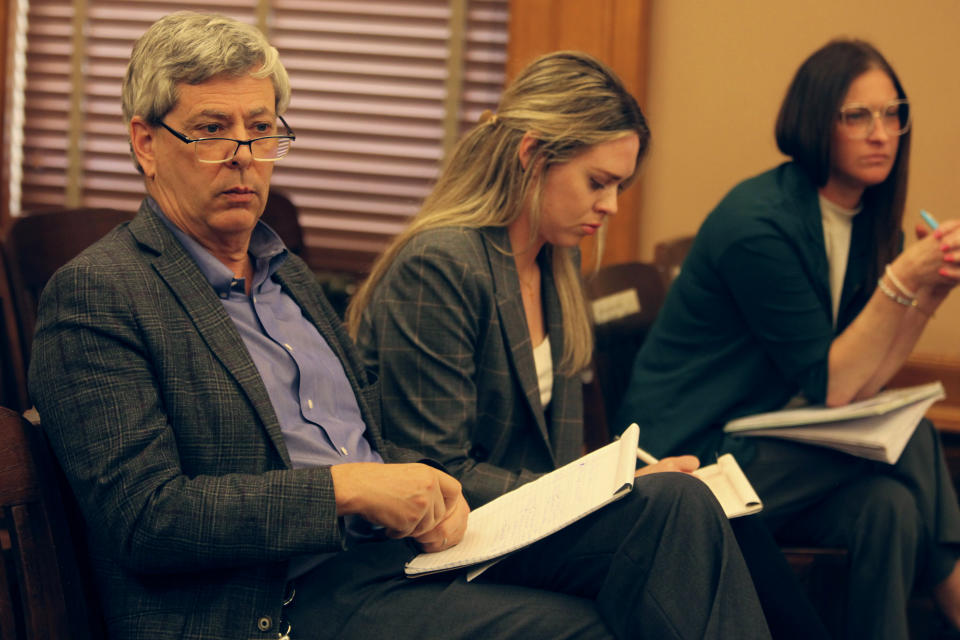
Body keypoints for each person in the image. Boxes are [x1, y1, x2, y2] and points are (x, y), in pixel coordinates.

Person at [27, 13, 771, 640]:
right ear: (145, 144)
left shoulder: (288, 278)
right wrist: (344, 491)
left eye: (262, 129)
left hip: (398, 561)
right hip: (276, 600)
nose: (246, 159)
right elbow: (145, 519)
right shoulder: (97, 294)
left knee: (674, 506)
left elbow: (388, 441)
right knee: (585, 628)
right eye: (212, 130)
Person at [347, 51, 825, 639]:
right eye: (598, 182)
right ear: (531, 157)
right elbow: (435, 471)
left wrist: (614, 488)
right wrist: (606, 493)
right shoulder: (441, 265)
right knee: (676, 508)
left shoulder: (555, 264)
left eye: (619, 186)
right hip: (447, 539)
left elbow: (550, 459)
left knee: (714, 506)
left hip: (520, 523)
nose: (612, 205)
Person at [615, 38, 960, 640]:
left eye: (892, 113)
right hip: (693, 453)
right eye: (858, 115)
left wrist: (925, 295)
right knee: (919, 439)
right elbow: (835, 384)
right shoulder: (759, 224)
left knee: (891, 510)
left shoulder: (866, 219)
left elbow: (866, 381)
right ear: (815, 122)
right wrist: (904, 279)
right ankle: (955, 589)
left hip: (769, 437)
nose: (881, 132)